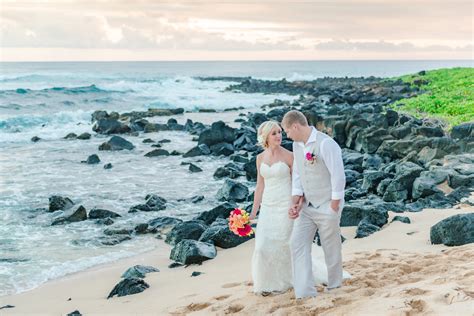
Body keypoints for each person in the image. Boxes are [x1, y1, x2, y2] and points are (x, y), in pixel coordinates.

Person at [281, 110, 347, 299]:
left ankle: (335, 286)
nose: (287, 135)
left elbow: (338, 175)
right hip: (307, 206)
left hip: (327, 204)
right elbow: (299, 173)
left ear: (295, 126)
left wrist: (334, 206)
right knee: (297, 244)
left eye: (287, 131)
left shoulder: (326, 144)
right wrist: (296, 200)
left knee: (330, 247)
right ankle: (305, 292)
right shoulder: (296, 145)